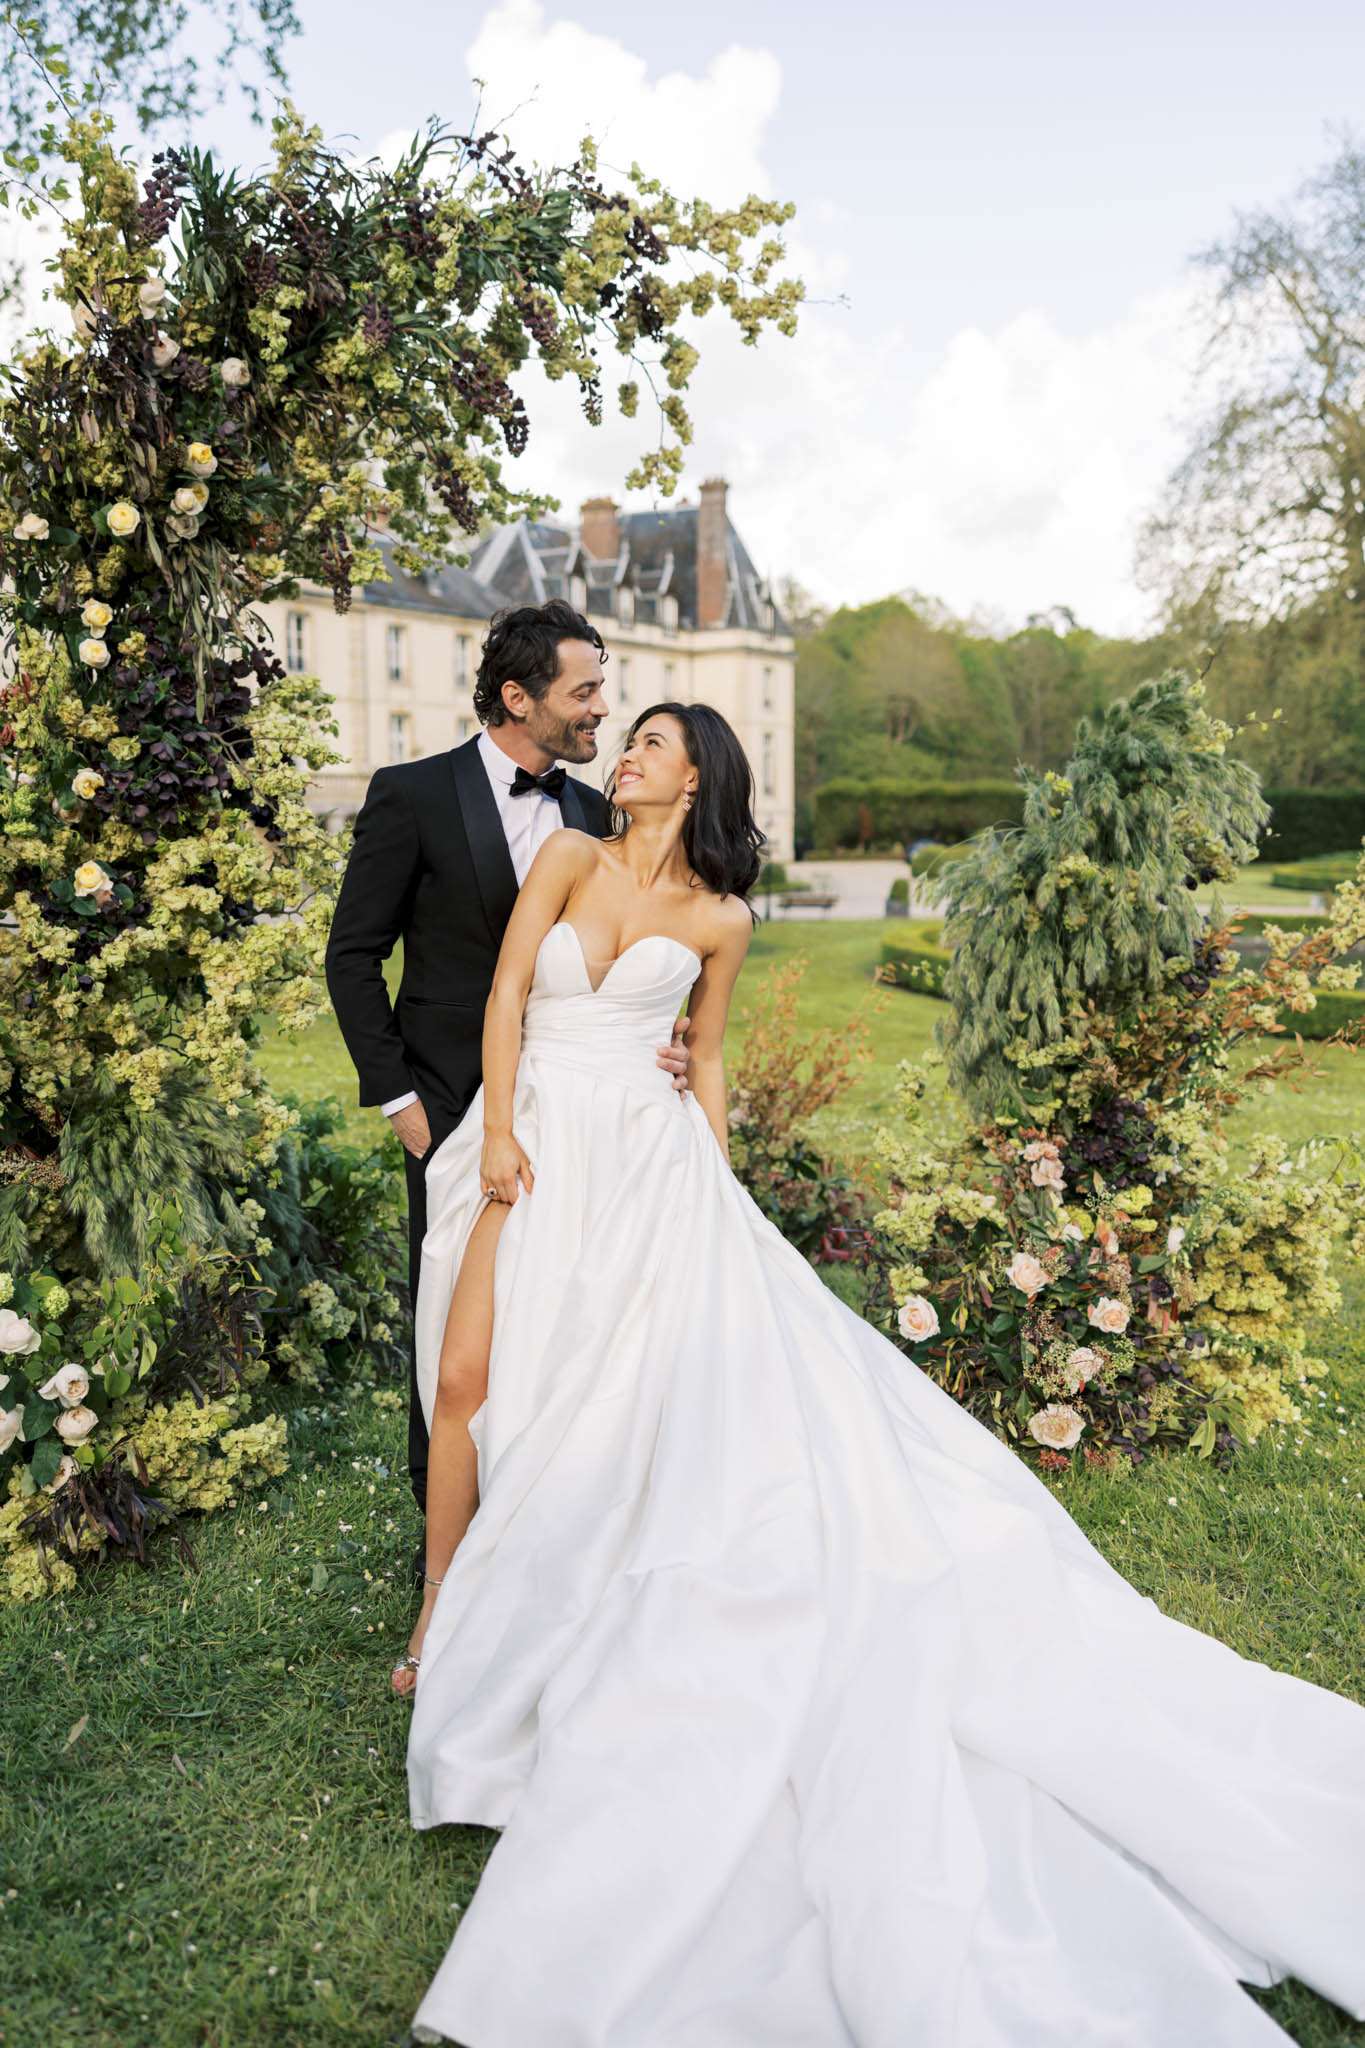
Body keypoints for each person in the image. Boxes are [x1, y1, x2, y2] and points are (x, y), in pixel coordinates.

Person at [402, 701, 1365, 2048]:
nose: (624, 754)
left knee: (610, 1405)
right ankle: (440, 1617)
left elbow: (712, 1061)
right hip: (538, 1140)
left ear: (700, 775)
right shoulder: (563, 855)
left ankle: (546, 1592)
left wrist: (716, 1196)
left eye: (653, 743)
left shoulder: (726, 920)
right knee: (466, 1381)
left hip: (651, 1167)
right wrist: (499, 1132)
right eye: (624, 737)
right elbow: (508, 995)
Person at [323, 601, 689, 1540]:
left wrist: (662, 1037)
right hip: (447, 1103)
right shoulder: (411, 792)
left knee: (560, 1307)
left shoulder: (590, 810)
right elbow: (352, 955)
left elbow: (631, 941)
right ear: (519, 698)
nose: (601, 709)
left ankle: (544, 1520)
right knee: (450, 1322)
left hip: (572, 1106)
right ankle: (442, 1543)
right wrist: (398, 1097)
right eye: (585, 691)